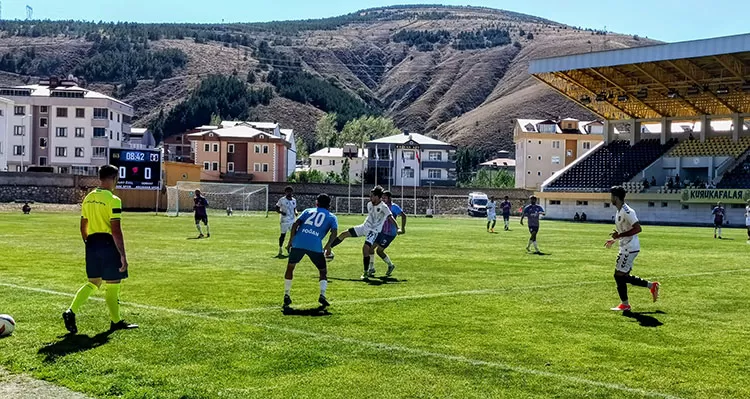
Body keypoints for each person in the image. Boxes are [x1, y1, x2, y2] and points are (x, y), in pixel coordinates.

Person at [62, 165, 138, 334]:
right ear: (114, 178)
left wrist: (89, 243)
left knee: (94, 282)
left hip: (92, 242)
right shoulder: (113, 200)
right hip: (108, 243)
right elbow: (116, 230)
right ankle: (116, 321)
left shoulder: (88, 198)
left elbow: (83, 225)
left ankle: (71, 311)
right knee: (113, 284)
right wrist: (123, 255)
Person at [606, 186, 660, 312]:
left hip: (629, 248)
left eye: (611, 196)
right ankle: (651, 286)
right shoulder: (619, 211)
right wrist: (615, 239)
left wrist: (619, 236)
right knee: (622, 276)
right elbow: (624, 230)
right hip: (626, 246)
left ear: (616, 197)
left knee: (619, 275)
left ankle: (626, 304)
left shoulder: (627, 211)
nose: (610, 198)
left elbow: (638, 228)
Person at [283, 193, 338, 309]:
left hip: (299, 242)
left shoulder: (308, 211)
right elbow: (334, 232)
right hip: (315, 244)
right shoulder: (332, 217)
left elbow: (295, 225)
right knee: (323, 271)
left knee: (290, 267)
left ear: (316, 203)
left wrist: (290, 241)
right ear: (329, 205)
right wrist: (328, 246)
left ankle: (286, 294)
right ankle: (322, 295)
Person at [330, 186, 397, 279]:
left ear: (378, 197)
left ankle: (366, 272)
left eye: (372, 196)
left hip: (374, 231)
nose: (370, 198)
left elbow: (391, 218)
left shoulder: (384, 207)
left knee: (365, 249)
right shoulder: (369, 204)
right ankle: (328, 249)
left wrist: (397, 228)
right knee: (344, 234)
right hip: (364, 227)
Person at [368, 191, 406, 277]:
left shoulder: (394, 207)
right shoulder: (381, 206)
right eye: (382, 198)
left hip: (389, 234)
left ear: (389, 198)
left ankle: (390, 265)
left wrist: (402, 229)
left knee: (379, 251)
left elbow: (403, 216)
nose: (383, 199)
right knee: (370, 248)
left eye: (385, 198)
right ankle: (371, 268)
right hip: (380, 231)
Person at [275, 186, 298, 257]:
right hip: (284, 220)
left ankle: (290, 247)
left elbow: (295, 208)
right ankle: (280, 248)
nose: (289, 193)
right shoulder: (282, 200)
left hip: (292, 220)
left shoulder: (294, 200)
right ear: (285, 192)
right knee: (283, 235)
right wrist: (281, 212)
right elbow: (276, 208)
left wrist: (296, 212)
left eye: (290, 191)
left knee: (294, 234)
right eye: (287, 191)